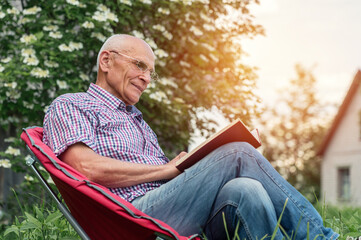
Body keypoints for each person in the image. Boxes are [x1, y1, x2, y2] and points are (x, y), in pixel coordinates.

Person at [43, 34, 338, 240]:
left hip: (169, 204)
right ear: (106, 61)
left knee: (247, 188)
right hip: (131, 215)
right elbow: (85, 168)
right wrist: (167, 169)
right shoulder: (70, 105)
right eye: (139, 65)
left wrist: (195, 163)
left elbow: (168, 178)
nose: (146, 78)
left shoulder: (136, 120)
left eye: (151, 72)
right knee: (238, 151)